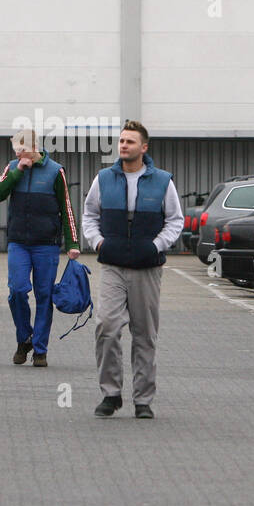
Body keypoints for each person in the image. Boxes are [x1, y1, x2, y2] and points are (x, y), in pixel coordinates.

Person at [81, 120, 183, 418]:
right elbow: (89, 214)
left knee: (144, 334)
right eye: (122, 141)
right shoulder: (103, 178)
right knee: (107, 328)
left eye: (130, 142)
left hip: (147, 269)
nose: (123, 145)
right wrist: (98, 243)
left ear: (144, 147)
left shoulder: (162, 181)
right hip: (112, 266)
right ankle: (111, 394)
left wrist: (156, 246)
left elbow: (175, 220)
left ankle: (143, 400)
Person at [0, 128, 80, 367]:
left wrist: (72, 243)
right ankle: (24, 338)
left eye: (22, 149)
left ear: (34, 147)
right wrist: (17, 172)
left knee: (44, 296)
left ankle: (40, 350)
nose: (18, 154)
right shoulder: (12, 167)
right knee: (17, 290)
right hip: (18, 243)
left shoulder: (55, 171)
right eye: (16, 150)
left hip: (46, 246)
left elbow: (67, 208)